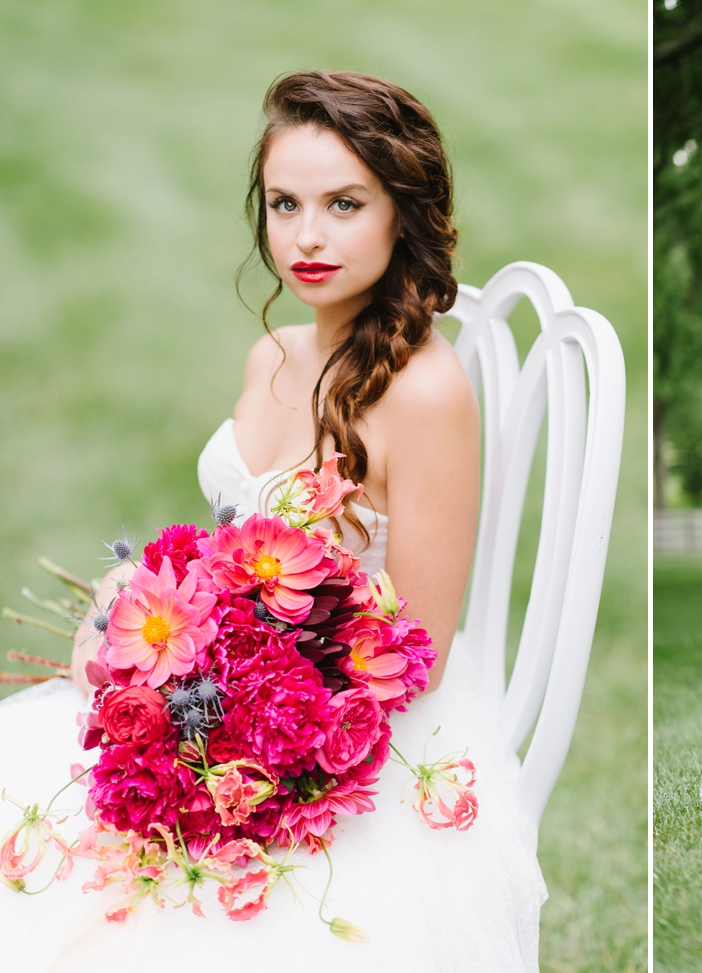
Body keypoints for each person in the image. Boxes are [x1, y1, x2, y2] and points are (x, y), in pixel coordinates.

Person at [0, 71, 545, 971]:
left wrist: (234, 706)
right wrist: (152, 621)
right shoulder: (275, 353)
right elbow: (239, 538)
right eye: (285, 204)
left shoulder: (428, 394)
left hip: (346, 726)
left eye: (344, 204)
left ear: (402, 212)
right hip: (219, 689)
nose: (307, 237)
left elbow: (421, 648)